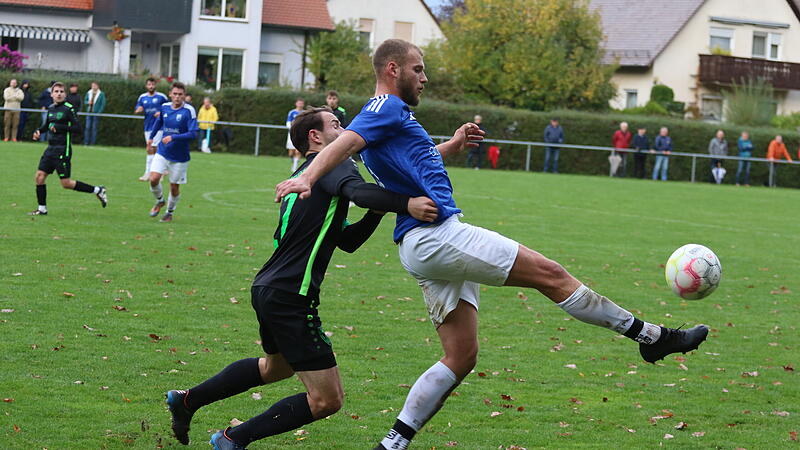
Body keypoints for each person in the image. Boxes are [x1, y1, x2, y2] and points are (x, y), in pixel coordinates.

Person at [275, 39, 708, 450]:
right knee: (550, 274)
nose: (425, 78)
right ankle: (651, 336)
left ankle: (392, 443)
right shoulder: (385, 105)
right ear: (393, 69)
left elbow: (411, 157)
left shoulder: (390, 115)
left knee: (461, 356)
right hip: (437, 235)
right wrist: (307, 176)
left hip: (420, 243)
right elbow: (347, 143)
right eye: (418, 69)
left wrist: (453, 144)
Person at [165, 107, 439, 449]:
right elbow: (360, 192)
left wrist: (379, 209)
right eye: (337, 125)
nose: (345, 130)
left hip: (268, 288)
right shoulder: (334, 164)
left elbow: (348, 240)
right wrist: (407, 204)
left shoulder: (306, 174)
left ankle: (187, 400)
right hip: (291, 296)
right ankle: (232, 439)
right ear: (315, 136)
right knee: (327, 399)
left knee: (275, 368)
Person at [29, 82, 107, 216]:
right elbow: (47, 125)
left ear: (65, 94)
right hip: (50, 149)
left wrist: (60, 128)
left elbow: (78, 129)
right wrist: (38, 131)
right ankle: (42, 209)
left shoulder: (68, 109)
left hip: (62, 150)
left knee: (66, 183)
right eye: (56, 91)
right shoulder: (51, 108)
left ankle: (98, 190)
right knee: (40, 177)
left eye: (61, 91)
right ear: (52, 94)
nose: (59, 94)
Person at [146, 82, 197, 223]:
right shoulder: (164, 107)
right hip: (163, 151)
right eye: (175, 94)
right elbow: (159, 122)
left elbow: (193, 134)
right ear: (170, 94)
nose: (177, 97)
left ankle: (169, 212)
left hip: (180, 157)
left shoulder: (189, 111)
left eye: (180, 94)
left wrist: (173, 137)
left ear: (184, 96)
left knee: (174, 187)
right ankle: (160, 201)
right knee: (153, 178)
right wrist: (151, 138)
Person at [134, 77, 169, 181]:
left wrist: (161, 113)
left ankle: (151, 173)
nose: (151, 86)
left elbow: (169, 108)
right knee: (150, 148)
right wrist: (138, 110)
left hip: (159, 127)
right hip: (148, 126)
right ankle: (161, 171)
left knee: (154, 148)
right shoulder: (142, 97)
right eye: (149, 84)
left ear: (155, 85)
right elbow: (137, 108)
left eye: (152, 84)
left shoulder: (161, 97)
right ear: (146, 86)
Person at [83, 82, 106, 146]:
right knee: (87, 127)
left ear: (98, 86)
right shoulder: (89, 93)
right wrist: (88, 103)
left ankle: (92, 143)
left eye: (95, 86)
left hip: (96, 114)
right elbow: (85, 101)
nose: (93, 87)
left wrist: (99, 112)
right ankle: (86, 142)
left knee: (94, 128)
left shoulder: (101, 94)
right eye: (92, 86)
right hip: (89, 112)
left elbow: (103, 104)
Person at [286, 97, 305, 172]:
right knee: (291, 153)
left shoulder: (304, 113)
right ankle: (293, 160)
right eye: (299, 103)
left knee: (298, 151)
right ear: (296, 103)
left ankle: (295, 167)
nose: (300, 104)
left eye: (301, 103)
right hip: (292, 134)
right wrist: (291, 129)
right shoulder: (292, 112)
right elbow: (288, 122)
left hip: (301, 134)